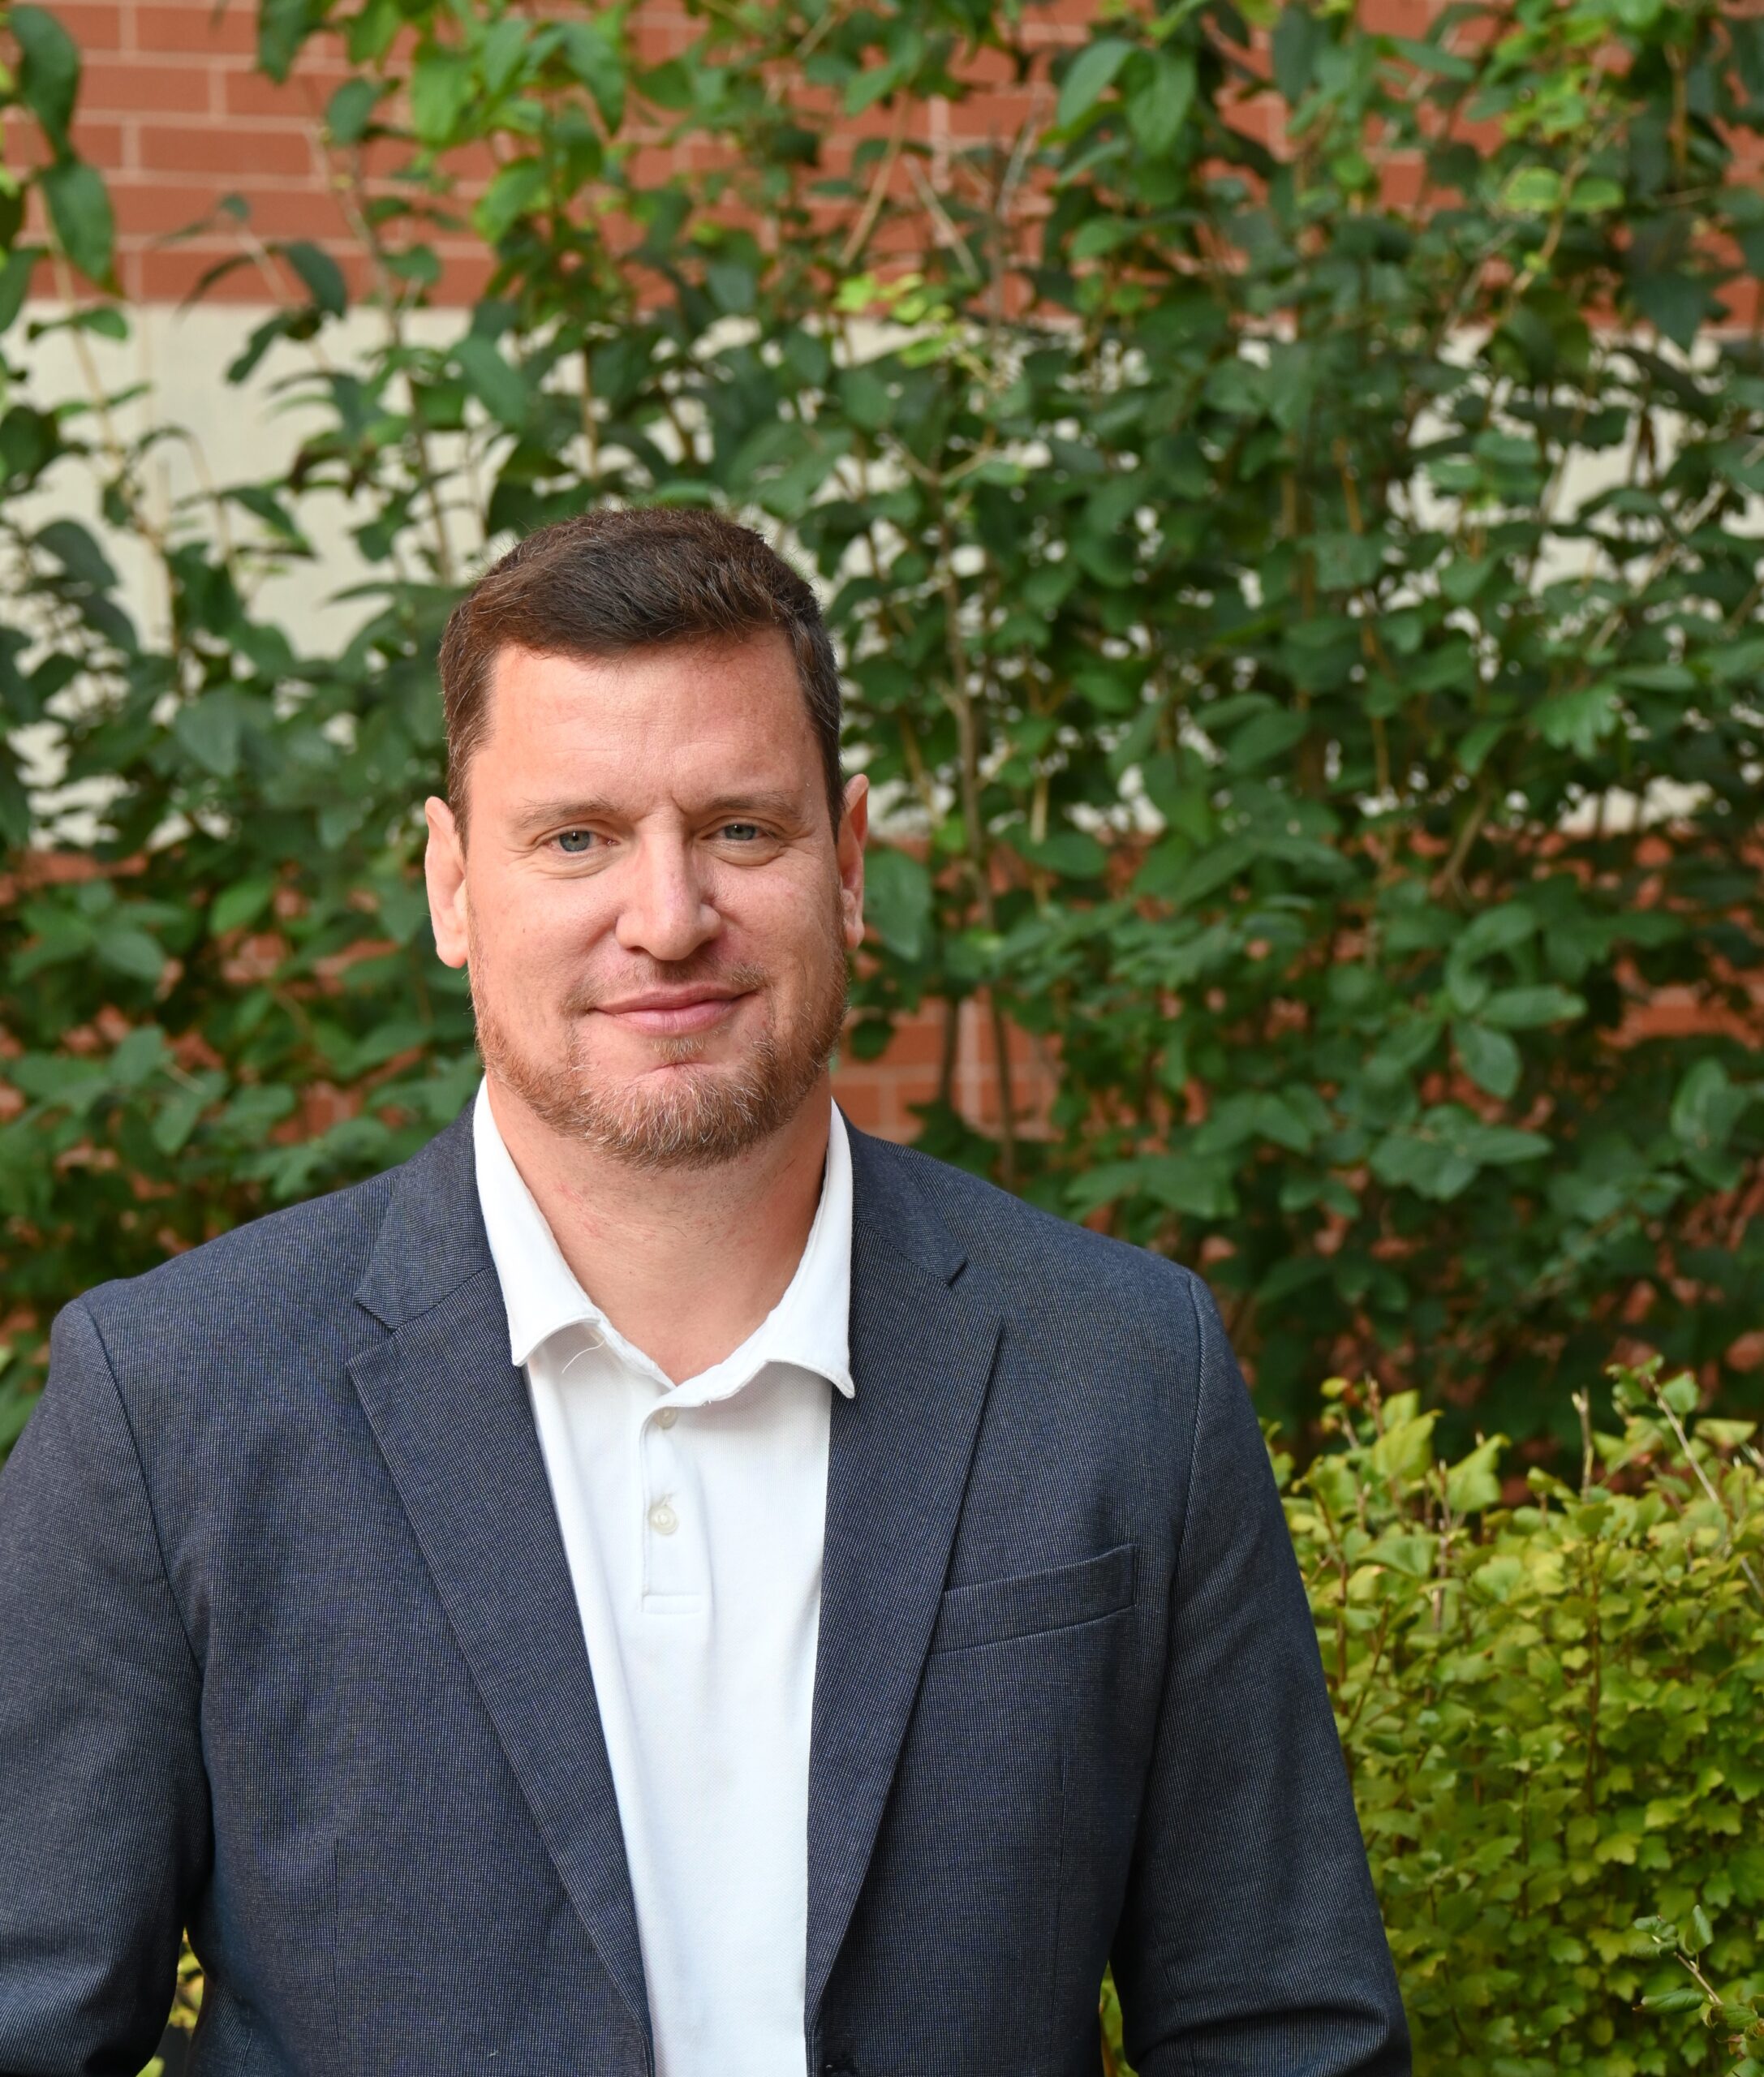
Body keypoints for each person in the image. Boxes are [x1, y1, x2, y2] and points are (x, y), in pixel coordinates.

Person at [0, 508, 1409, 2077]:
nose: (667, 920)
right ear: (453, 885)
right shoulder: (173, 1400)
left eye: (739, 830)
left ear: (848, 862)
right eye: (577, 837)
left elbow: (1278, 2032)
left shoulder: (1119, 1369)